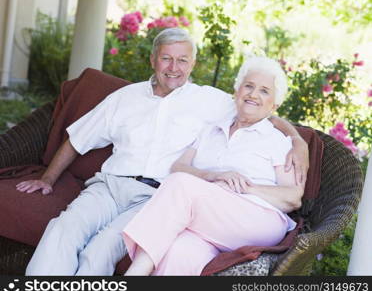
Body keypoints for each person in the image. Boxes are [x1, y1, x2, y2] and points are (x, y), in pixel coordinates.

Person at [17, 28, 308, 276]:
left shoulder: (210, 100)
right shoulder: (124, 97)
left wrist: (298, 141)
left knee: (101, 248)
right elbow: (77, 139)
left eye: (182, 60)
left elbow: (258, 108)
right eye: (166, 58)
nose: (173, 67)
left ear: (192, 64)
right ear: (153, 59)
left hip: (155, 198)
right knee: (62, 229)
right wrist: (48, 179)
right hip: (108, 187)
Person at [122, 55, 304, 276]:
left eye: (264, 91)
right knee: (179, 250)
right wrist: (212, 176)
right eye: (248, 86)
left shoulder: (276, 140)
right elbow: (179, 167)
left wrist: (244, 187)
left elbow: (293, 197)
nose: (253, 94)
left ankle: (133, 275)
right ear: (236, 92)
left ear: (274, 104)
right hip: (210, 220)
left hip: (258, 220)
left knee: (180, 185)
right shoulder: (212, 130)